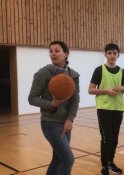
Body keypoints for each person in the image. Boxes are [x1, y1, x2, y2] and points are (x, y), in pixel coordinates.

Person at [28, 41, 80, 175]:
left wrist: (70, 119)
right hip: (50, 123)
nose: (53, 54)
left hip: (65, 123)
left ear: (66, 54)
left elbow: (75, 99)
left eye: (57, 50)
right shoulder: (43, 73)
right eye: (51, 51)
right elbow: (32, 98)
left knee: (58, 159)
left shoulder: (73, 75)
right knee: (68, 159)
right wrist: (52, 104)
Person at [88, 43, 124, 175]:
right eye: (109, 53)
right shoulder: (99, 70)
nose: (112, 55)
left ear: (118, 55)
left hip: (118, 108)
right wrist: (107, 91)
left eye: (114, 53)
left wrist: (121, 89)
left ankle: (111, 162)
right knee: (107, 138)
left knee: (115, 138)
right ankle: (104, 166)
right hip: (104, 108)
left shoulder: (122, 71)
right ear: (105, 54)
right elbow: (91, 90)